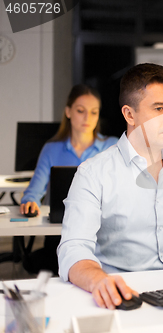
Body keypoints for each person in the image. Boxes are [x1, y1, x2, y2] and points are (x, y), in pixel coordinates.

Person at [57, 63, 163, 310]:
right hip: (120, 296)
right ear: (129, 115)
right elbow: (73, 248)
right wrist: (99, 281)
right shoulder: (93, 172)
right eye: (159, 109)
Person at [19, 84, 118, 275]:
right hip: (61, 232)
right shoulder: (52, 149)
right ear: (68, 112)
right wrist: (30, 201)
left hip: (102, 233)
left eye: (93, 112)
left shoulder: (112, 146)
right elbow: (33, 191)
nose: (87, 118)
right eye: (81, 111)